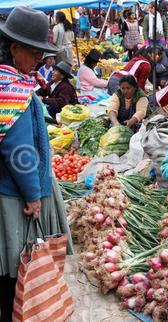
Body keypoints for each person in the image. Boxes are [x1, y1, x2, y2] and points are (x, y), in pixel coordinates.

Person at [0, 7, 72, 322]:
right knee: (16, 269)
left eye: (41, 54)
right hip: (14, 195)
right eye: (33, 52)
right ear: (13, 47)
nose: (38, 60)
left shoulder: (9, 80)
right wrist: (32, 194)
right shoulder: (11, 89)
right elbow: (18, 150)